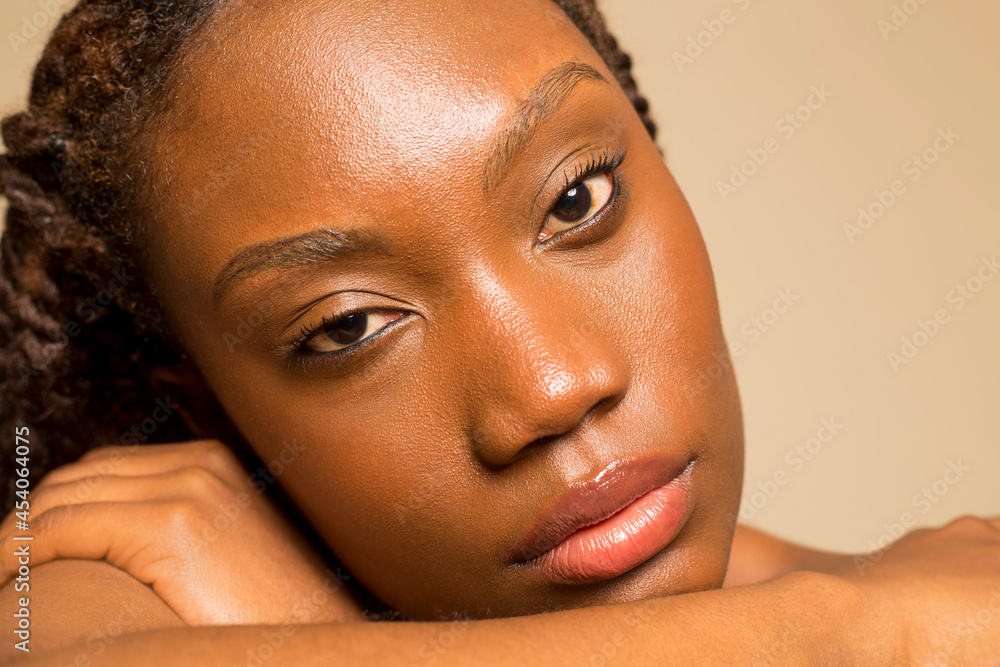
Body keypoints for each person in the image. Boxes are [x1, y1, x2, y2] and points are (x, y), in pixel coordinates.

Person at [0, 0, 998, 663]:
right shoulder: (125, 576)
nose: (554, 387)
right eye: (347, 325)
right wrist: (858, 635)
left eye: (575, 198)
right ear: (205, 400)